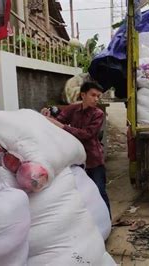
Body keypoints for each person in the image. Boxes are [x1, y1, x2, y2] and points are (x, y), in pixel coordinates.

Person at [41, 81, 111, 214]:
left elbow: (87, 134)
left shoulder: (98, 114)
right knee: (82, 193)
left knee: (99, 191)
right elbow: (59, 120)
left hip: (93, 160)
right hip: (76, 161)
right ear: (83, 95)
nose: (96, 99)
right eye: (93, 95)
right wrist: (48, 116)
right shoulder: (73, 109)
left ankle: (107, 220)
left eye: (98, 96)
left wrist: (63, 127)